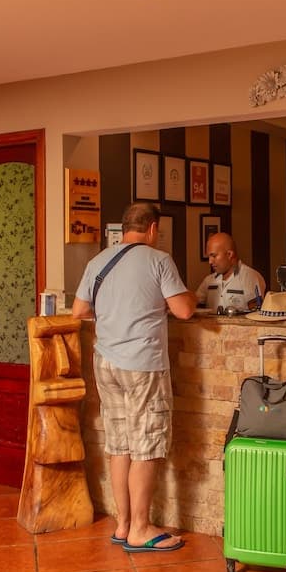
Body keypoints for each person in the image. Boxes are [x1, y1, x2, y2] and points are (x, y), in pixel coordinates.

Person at [71, 202, 196, 552]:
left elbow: (79, 310)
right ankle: (141, 528)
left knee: (120, 444)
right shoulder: (159, 260)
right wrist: (188, 295)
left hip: (106, 363)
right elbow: (184, 310)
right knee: (146, 443)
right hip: (142, 364)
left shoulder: (98, 261)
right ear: (153, 229)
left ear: (124, 227)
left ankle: (123, 524)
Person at [195, 232, 266, 313]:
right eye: (209, 257)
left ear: (229, 254)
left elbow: (256, 313)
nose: (210, 262)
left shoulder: (250, 277)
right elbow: (194, 303)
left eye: (214, 256)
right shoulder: (208, 280)